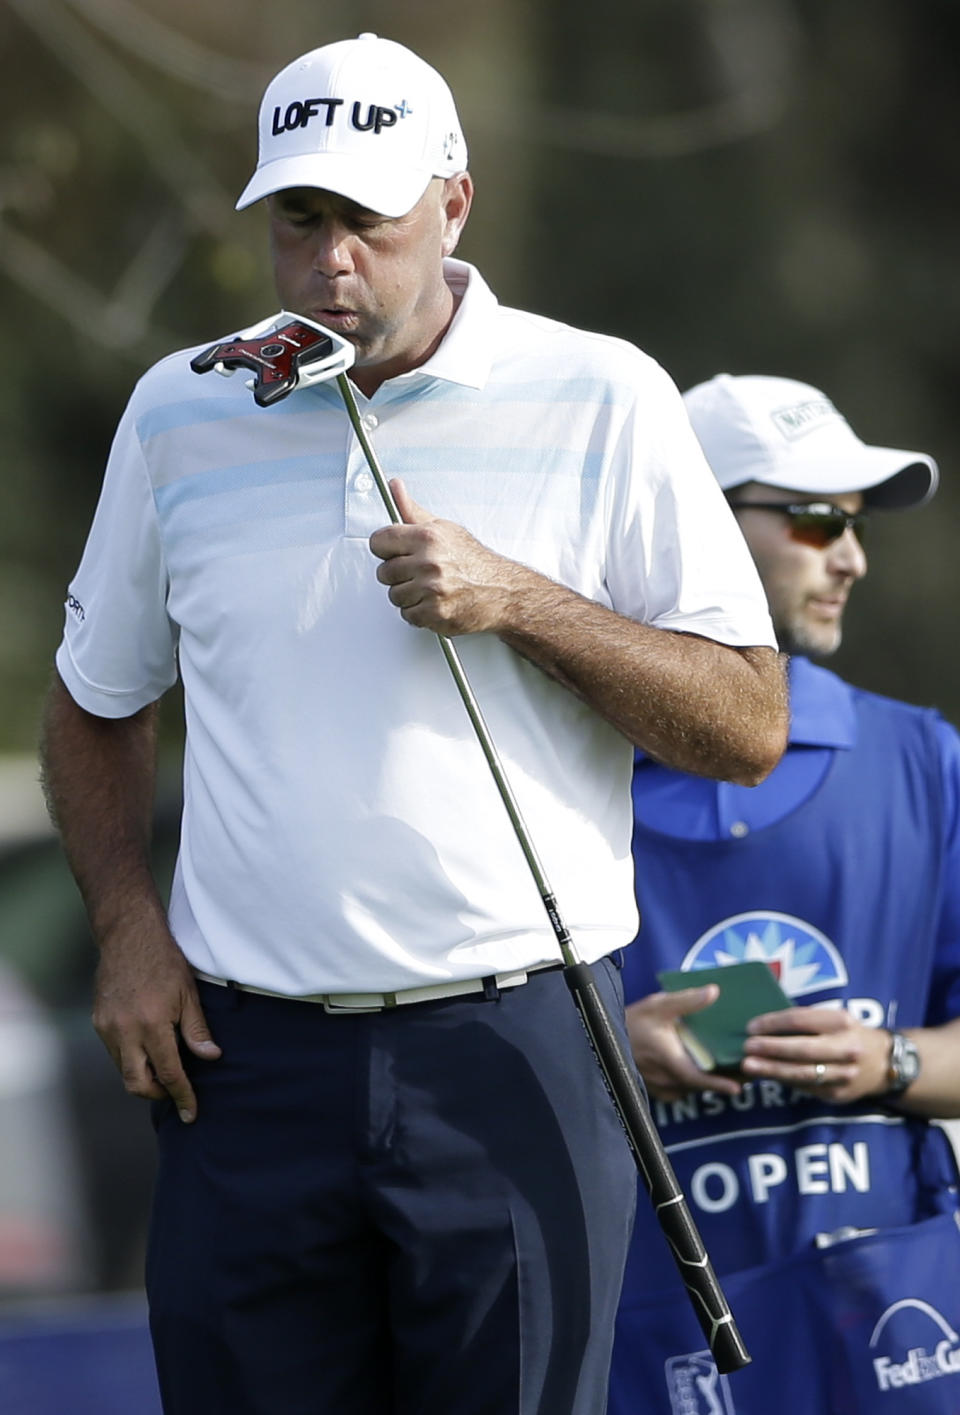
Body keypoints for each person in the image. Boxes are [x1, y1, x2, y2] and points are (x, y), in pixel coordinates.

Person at [39, 35, 786, 1415]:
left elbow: (742, 722)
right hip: (242, 1065)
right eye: (299, 220)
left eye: (366, 222)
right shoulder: (182, 408)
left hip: (513, 1044)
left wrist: (523, 600)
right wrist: (130, 933)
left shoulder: (602, 393)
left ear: (453, 205)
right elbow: (96, 700)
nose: (331, 263)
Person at [610, 373, 960, 1415]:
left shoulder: (922, 760)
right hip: (651, 1337)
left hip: (898, 1331)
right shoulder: (556, 785)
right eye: (815, 519)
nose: (851, 554)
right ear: (697, 526)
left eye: (853, 525)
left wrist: (889, 1059)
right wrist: (601, 1055)